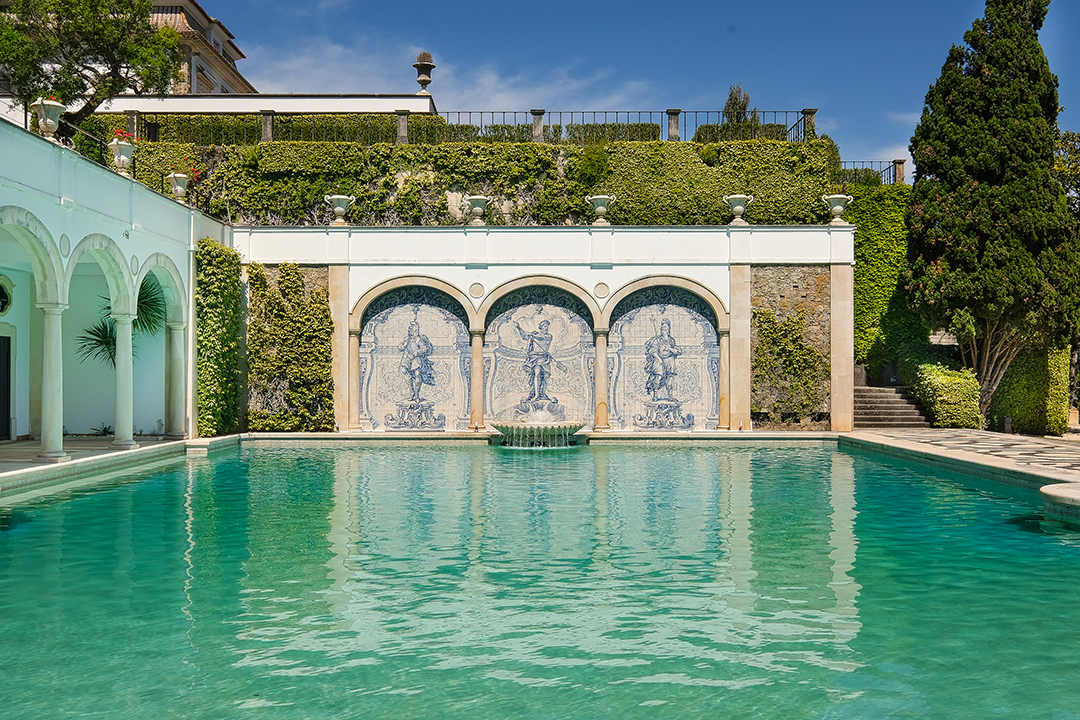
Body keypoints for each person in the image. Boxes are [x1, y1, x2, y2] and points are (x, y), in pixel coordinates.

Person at [516, 319, 554, 402]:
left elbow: (541, 338)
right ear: (541, 327)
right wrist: (519, 328)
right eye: (545, 326)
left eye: (547, 326)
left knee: (545, 377)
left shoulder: (548, 336)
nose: (546, 328)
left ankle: (542, 394)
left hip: (544, 358)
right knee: (537, 374)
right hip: (535, 358)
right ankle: (536, 395)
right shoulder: (535, 335)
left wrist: (532, 335)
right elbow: (525, 337)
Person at [398, 320, 435, 403]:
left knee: (417, 374)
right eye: (409, 329)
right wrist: (403, 345)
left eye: (411, 329)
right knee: (404, 370)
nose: (409, 331)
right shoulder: (407, 339)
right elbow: (400, 348)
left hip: (416, 360)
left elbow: (424, 348)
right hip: (407, 359)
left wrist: (416, 353)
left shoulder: (418, 339)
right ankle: (411, 392)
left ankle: (417, 395)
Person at [644, 318, 681, 401]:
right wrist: (659, 359)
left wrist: (669, 349)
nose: (664, 330)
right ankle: (655, 396)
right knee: (657, 378)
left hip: (669, 361)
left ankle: (670, 396)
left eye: (666, 328)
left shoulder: (671, 340)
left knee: (670, 379)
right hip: (659, 361)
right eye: (663, 328)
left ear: (669, 329)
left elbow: (677, 351)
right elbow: (652, 351)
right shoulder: (657, 340)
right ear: (661, 329)